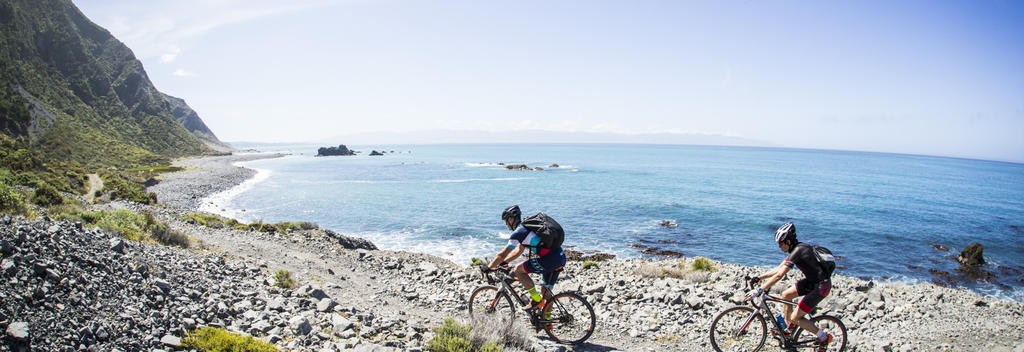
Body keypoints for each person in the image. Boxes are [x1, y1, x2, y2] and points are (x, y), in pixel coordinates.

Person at [747, 222, 833, 351]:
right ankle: (789, 329)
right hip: (812, 281)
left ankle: (823, 337)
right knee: (786, 295)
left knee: (796, 317)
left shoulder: (799, 251)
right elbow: (778, 269)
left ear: (788, 241)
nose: (779, 246)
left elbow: (780, 275)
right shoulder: (795, 250)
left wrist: (760, 289)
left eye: (780, 243)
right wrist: (760, 277)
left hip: (821, 286)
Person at [484, 205, 567, 312]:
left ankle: (536, 300)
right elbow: (519, 250)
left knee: (518, 270)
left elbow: (502, 254)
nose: (506, 224)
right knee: (546, 292)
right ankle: (547, 323)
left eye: (506, 220)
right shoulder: (527, 228)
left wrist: (489, 267)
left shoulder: (519, 232)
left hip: (549, 260)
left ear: (511, 218)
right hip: (560, 257)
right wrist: (505, 262)